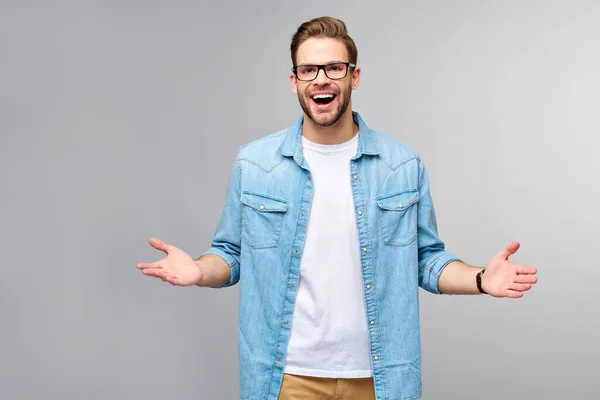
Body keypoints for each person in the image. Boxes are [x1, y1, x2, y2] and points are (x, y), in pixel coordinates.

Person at [136, 16, 538, 400]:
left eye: (333, 68)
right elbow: (231, 255)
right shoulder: (255, 164)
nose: (321, 79)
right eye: (308, 70)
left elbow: (427, 260)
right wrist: (198, 272)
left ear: (354, 77)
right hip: (285, 377)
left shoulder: (402, 165)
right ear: (294, 82)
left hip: (380, 377)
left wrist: (482, 279)